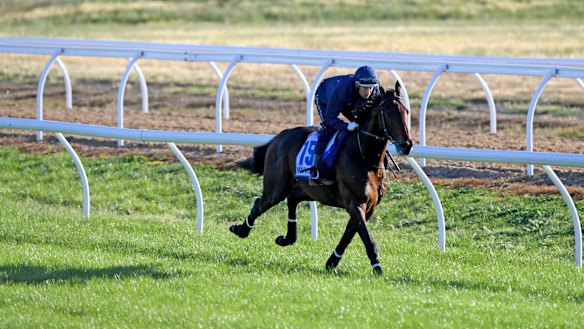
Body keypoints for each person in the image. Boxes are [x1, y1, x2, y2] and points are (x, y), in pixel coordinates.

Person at [310, 65, 381, 186]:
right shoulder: (343, 90)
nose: (368, 92)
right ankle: (316, 169)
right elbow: (329, 118)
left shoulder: (375, 91)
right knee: (329, 128)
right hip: (325, 95)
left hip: (350, 100)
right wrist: (346, 126)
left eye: (371, 88)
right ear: (357, 84)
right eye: (365, 88)